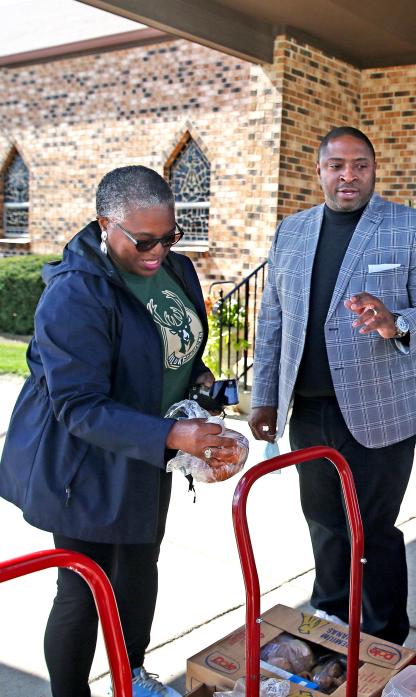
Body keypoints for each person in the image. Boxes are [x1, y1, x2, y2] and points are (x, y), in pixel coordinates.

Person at [0, 166, 241, 697]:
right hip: (85, 459)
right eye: (145, 240)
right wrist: (174, 438)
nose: (159, 251)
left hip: (148, 450)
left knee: (139, 567)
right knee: (84, 586)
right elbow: (79, 406)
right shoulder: (75, 293)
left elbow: (175, 347)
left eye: (170, 236)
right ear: (106, 224)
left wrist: (196, 379)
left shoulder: (175, 270)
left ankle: (131, 674)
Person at [248, 126, 416, 645]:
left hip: (382, 407)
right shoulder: (291, 232)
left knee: (372, 530)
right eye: (337, 165)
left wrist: (395, 323)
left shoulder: (412, 226)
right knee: (322, 520)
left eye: (360, 164)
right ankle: (328, 622)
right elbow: (272, 318)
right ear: (319, 170)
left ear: (373, 169)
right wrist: (265, 396)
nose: (349, 175)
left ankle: (384, 637)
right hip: (311, 408)